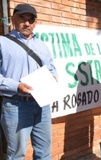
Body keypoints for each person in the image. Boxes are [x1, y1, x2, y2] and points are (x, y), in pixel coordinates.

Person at [0, 3, 57, 159]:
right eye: (22, 18)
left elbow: (51, 68)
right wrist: (16, 86)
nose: (27, 23)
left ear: (35, 23)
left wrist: (53, 78)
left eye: (31, 20)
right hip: (16, 105)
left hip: (42, 105)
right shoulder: (2, 43)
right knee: (17, 154)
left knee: (44, 152)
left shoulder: (41, 45)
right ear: (13, 19)